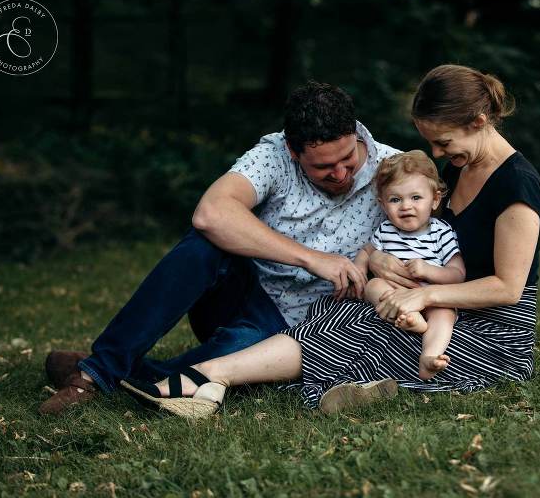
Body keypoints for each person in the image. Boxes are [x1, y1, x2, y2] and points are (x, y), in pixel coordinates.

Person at [119, 63, 540, 418]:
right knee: (343, 310)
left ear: (478, 122)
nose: (436, 154)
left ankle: (209, 377)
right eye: (431, 142)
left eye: (443, 142)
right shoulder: (458, 168)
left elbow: (507, 288)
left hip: (489, 329)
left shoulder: (516, 187)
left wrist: (426, 296)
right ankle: (210, 378)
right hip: (439, 299)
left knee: (364, 329)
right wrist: (381, 263)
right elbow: (420, 235)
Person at [38, 81, 401, 415]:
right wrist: (311, 259)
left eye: (347, 161)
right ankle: (95, 375)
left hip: (298, 326)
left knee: (216, 367)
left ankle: (111, 371)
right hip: (245, 290)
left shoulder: (394, 169)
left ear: (355, 136)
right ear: (293, 150)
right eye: (324, 167)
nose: (340, 174)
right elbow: (211, 213)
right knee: (203, 247)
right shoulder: (273, 155)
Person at [354, 150, 465, 380]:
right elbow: (367, 251)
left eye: (416, 198)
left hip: (432, 296)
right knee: (374, 286)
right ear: (383, 204)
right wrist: (358, 270)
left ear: (435, 200)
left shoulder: (440, 232)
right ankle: (411, 318)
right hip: (396, 294)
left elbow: (458, 274)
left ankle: (430, 356)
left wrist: (428, 270)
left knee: (444, 313)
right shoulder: (385, 231)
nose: (406, 206)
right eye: (395, 199)